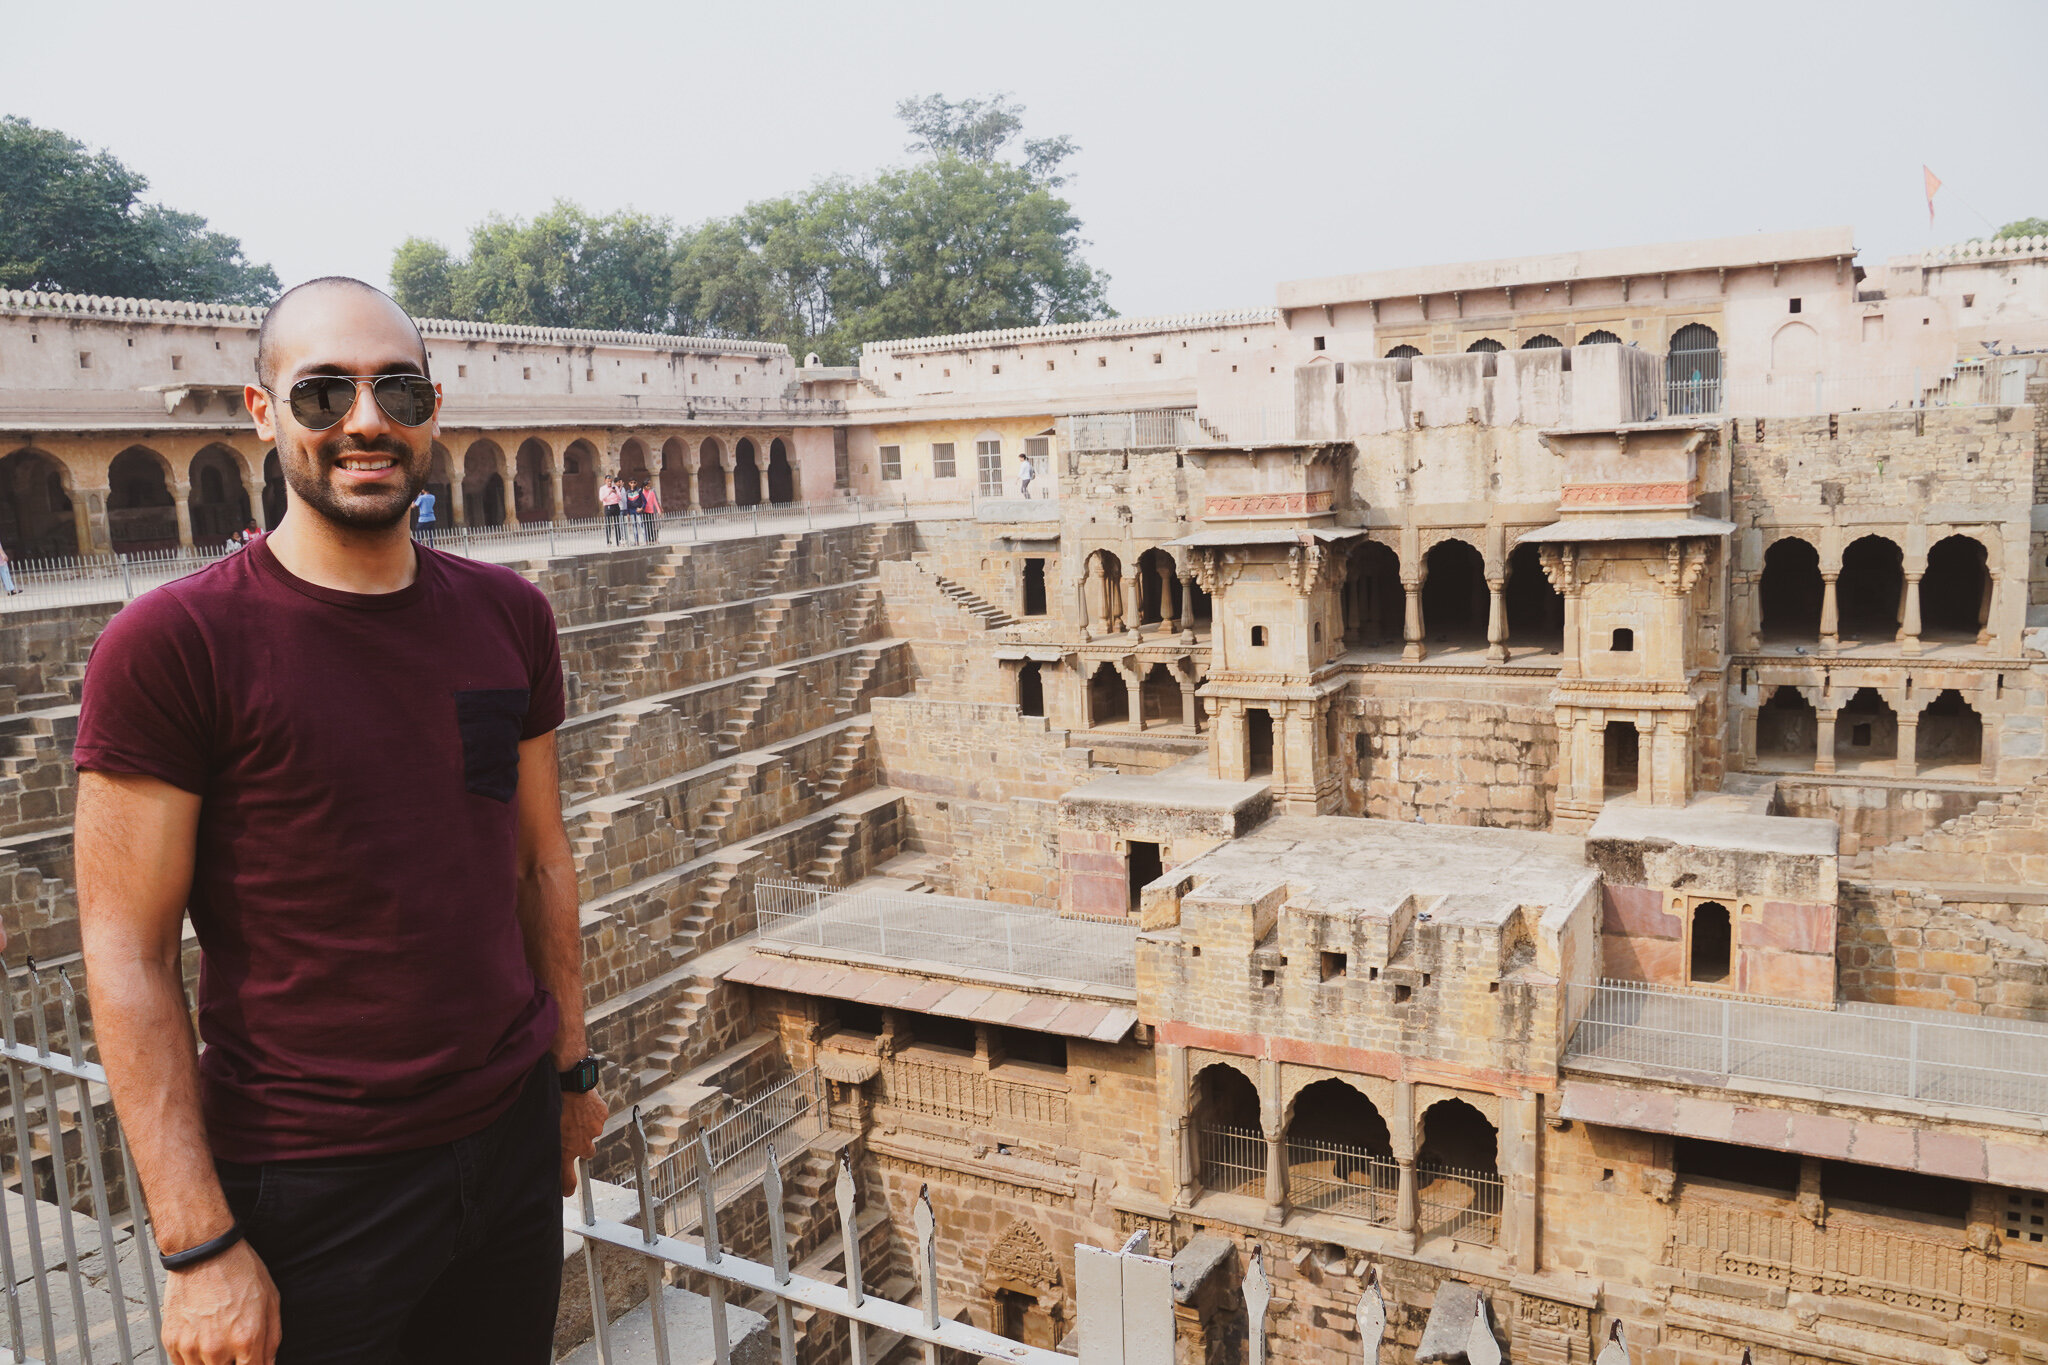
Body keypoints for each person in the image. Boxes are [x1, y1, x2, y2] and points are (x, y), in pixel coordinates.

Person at [74, 277, 603, 1365]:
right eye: (323, 393)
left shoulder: (509, 618)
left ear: (433, 408)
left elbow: (538, 865)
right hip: (310, 1177)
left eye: (395, 389)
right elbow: (125, 953)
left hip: (505, 1143)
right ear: (263, 414)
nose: (366, 421)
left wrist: (571, 1072)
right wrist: (196, 1244)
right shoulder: (175, 646)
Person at [599, 475, 622, 544]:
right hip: (607, 506)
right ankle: (608, 540)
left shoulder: (615, 488)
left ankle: (619, 540)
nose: (609, 483)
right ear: (605, 481)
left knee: (617, 523)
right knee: (608, 524)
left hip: (615, 505)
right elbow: (601, 498)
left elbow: (620, 497)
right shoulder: (602, 488)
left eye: (610, 481)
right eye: (608, 481)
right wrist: (609, 492)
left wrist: (615, 492)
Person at [641, 478, 662, 544]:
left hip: (650, 511)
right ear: (644, 486)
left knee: (651, 526)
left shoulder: (651, 493)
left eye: (649, 486)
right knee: (646, 526)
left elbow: (655, 502)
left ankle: (654, 539)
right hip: (644, 511)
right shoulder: (642, 493)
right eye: (647, 486)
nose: (648, 487)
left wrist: (658, 510)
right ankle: (648, 539)